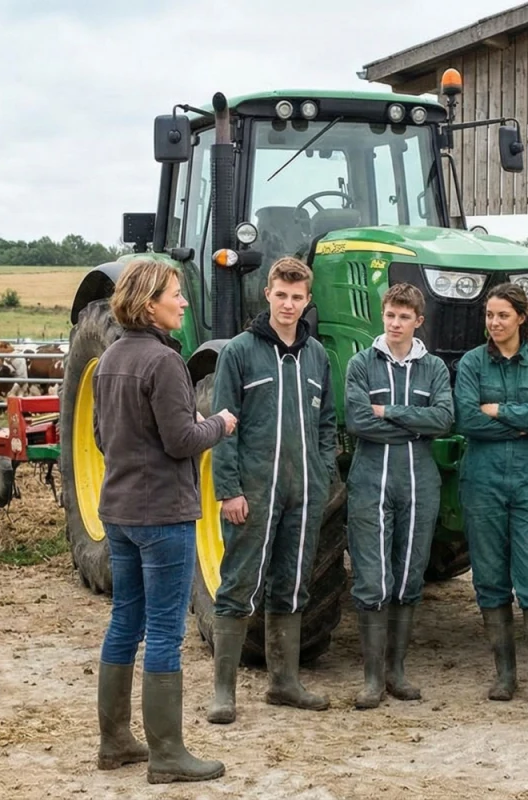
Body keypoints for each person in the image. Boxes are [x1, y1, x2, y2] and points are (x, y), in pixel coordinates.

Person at [93, 259, 237, 784]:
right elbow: (181, 442)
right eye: (175, 294)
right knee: (164, 631)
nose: (183, 302)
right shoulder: (165, 362)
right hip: (163, 517)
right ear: (149, 303)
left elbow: (101, 437)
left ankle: (114, 741)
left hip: (119, 512)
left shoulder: (110, 358)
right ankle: (167, 754)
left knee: (125, 622)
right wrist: (218, 424)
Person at [207, 256, 338, 725]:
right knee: (239, 583)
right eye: (281, 295)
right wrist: (229, 490)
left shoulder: (317, 356)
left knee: (293, 583)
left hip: (304, 493)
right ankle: (223, 693)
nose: (288, 304)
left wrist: (321, 476)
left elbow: (327, 424)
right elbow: (223, 426)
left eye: (297, 297)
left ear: (307, 300)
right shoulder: (239, 352)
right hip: (255, 491)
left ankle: (284, 683)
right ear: (267, 294)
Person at [454, 282, 528, 711]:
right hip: (482, 480)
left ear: (522, 317)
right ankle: (505, 675)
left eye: (503, 315)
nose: (495, 322)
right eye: (489, 315)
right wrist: (524, 422)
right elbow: (467, 419)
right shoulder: (471, 363)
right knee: (489, 576)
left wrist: (500, 410)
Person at [344, 283, 455, 709]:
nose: (395, 323)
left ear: (418, 321)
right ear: (383, 315)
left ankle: (397, 672)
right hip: (371, 481)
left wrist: (388, 411)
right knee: (372, 579)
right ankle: (372, 679)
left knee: (409, 576)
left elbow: (443, 419)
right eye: (390, 315)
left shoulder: (434, 368)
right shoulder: (361, 363)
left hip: (419, 482)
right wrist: (415, 426)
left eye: (404, 317)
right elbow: (358, 422)